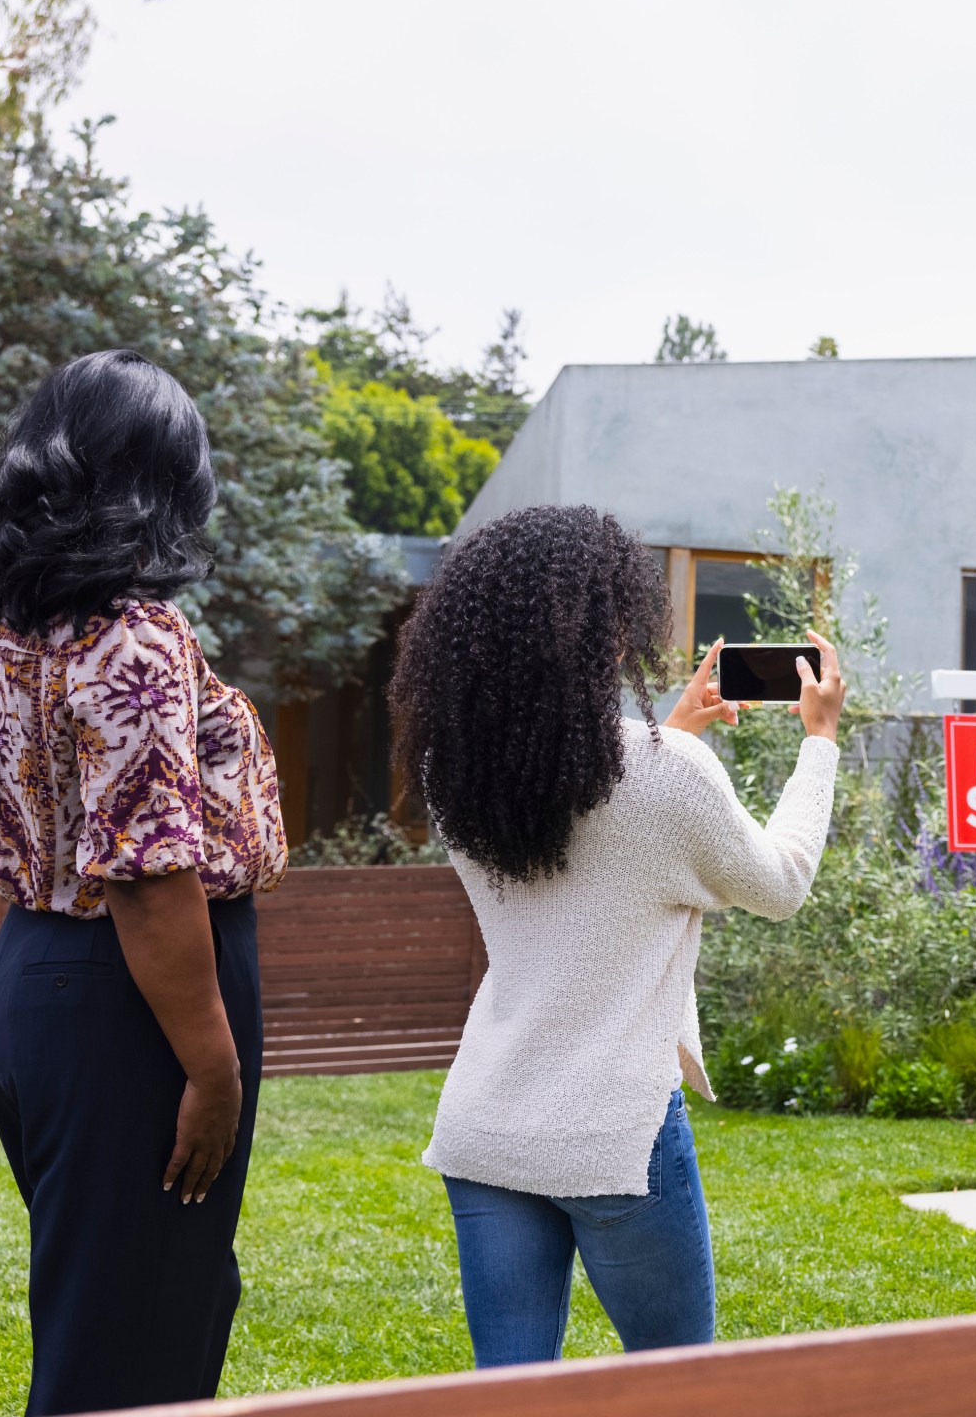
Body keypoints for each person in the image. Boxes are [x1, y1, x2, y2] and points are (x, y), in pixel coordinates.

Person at [389, 504, 845, 1366]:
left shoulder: (453, 777)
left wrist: (671, 735)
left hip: (488, 1126)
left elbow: (589, 840)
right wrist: (817, 742)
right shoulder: (666, 776)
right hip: (615, 1139)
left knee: (511, 1398)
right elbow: (779, 884)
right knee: (678, 1387)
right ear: (608, 627)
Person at [0, 350, 284, 1414]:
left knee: (117, 1310)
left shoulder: (6, 625)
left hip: (34, 975)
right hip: (133, 998)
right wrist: (214, 1070)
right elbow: (145, 874)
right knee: (133, 1351)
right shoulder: (132, 633)